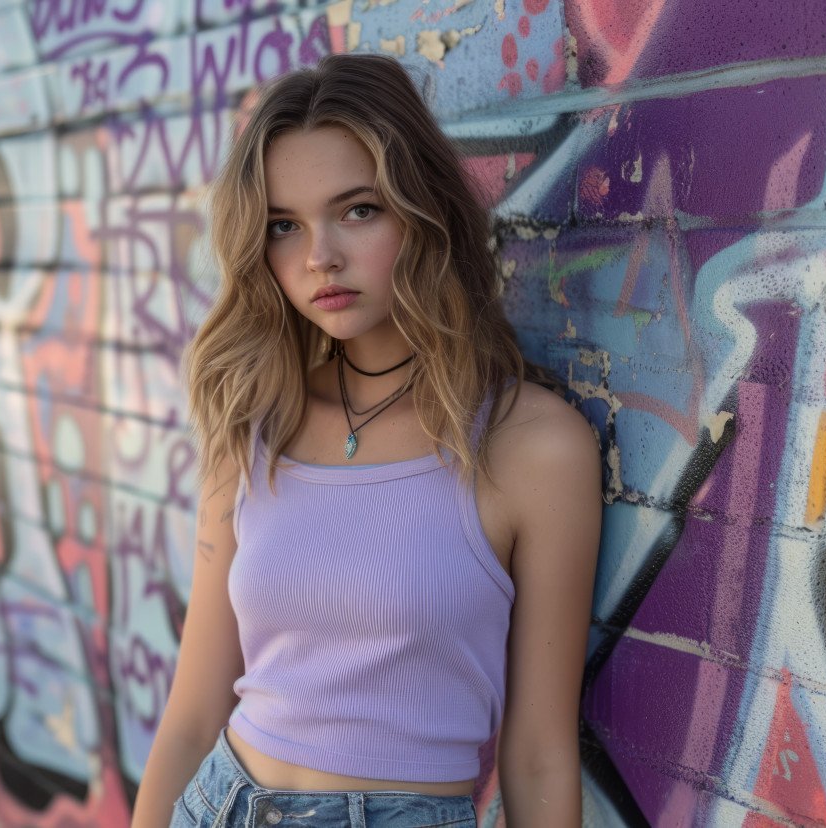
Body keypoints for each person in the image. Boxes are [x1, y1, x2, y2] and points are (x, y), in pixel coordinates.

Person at [131, 53, 601, 827]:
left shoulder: (533, 447)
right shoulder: (258, 422)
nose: (319, 257)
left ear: (424, 211)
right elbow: (192, 714)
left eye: (357, 211)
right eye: (284, 226)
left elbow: (539, 753)